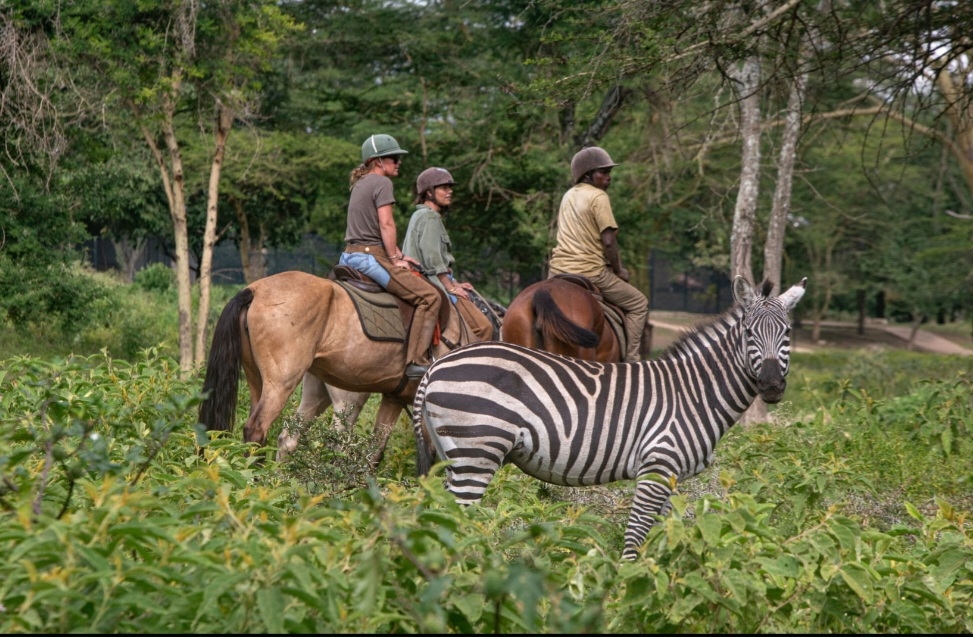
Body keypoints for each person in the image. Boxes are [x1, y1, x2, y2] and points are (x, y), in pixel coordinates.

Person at [339, 134, 442, 379]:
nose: (398, 162)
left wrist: (399, 253)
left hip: (349, 255)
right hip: (369, 257)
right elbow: (386, 224)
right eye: (394, 158)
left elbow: (368, 228)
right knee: (430, 297)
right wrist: (395, 260)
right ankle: (416, 361)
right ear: (377, 161)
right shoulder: (382, 183)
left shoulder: (360, 183)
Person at [547, 146, 649, 363]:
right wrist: (618, 270)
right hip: (591, 271)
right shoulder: (598, 196)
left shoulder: (568, 196)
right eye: (603, 172)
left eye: (609, 172)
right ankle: (631, 360)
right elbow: (609, 242)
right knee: (639, 303)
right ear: (587, 174)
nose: (609, 177)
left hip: (557, 270)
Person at [402, 167, 495, 342]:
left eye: (450, 187)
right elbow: (433, 260)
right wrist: (451, 287)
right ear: (429, 193)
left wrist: (455, 282)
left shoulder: (420, 214)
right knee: (483, 328)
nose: (449, 191)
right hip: (432, 284)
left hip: (426, 281)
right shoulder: (430, 217)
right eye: (444, 187)